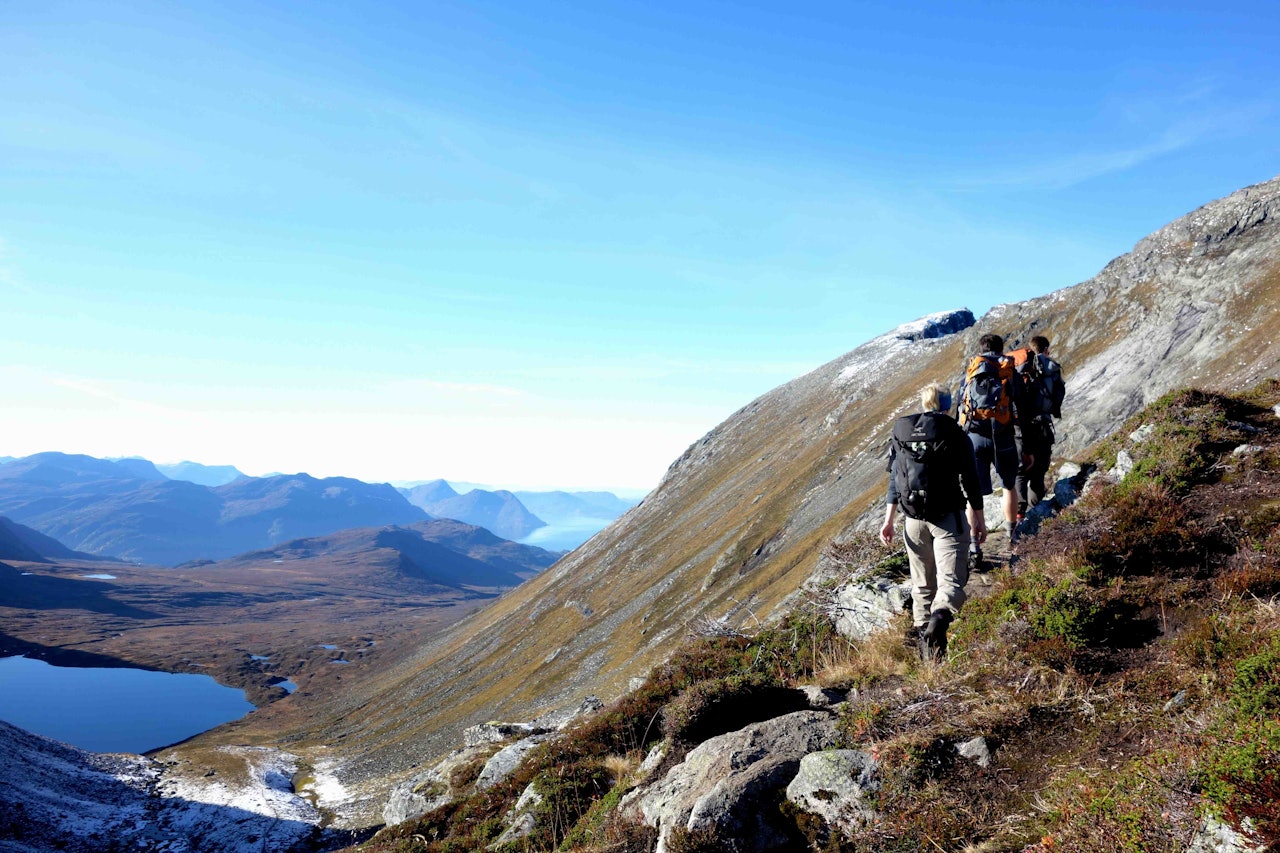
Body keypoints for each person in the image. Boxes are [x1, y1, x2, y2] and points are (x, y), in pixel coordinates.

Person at [880, 383, 987, 662]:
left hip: (912, 520)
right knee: (950, 581)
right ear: (946, 403)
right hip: (947, 518)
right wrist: (979, 518)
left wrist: (889, 519)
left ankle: (927, 658)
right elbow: (971, 480)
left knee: (922, 585)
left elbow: (894, 478)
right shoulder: (953, 431)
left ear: (924, 403)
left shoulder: (902, 432)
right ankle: (939, 622)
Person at [957, 333, 1030, 568]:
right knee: (1008, 485)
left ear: (981, 348)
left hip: (974, 439)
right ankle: (1012, 536)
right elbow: (1021, 407)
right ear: (1002, 349)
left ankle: (974, 547)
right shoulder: (1009, 370)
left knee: (972, 492)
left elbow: (961, 405)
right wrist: (1026, 445)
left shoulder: (972, 371)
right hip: (1003, 437)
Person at [1014, 335, 1065, 520]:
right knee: (1038, 471)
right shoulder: (1051, 368)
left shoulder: (1017, 368)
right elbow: (1058, 397)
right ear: (1045, 349)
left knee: (1020, 470)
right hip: (1042, 426)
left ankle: (1018, 515)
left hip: (1018, 428)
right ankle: (1035, 513)